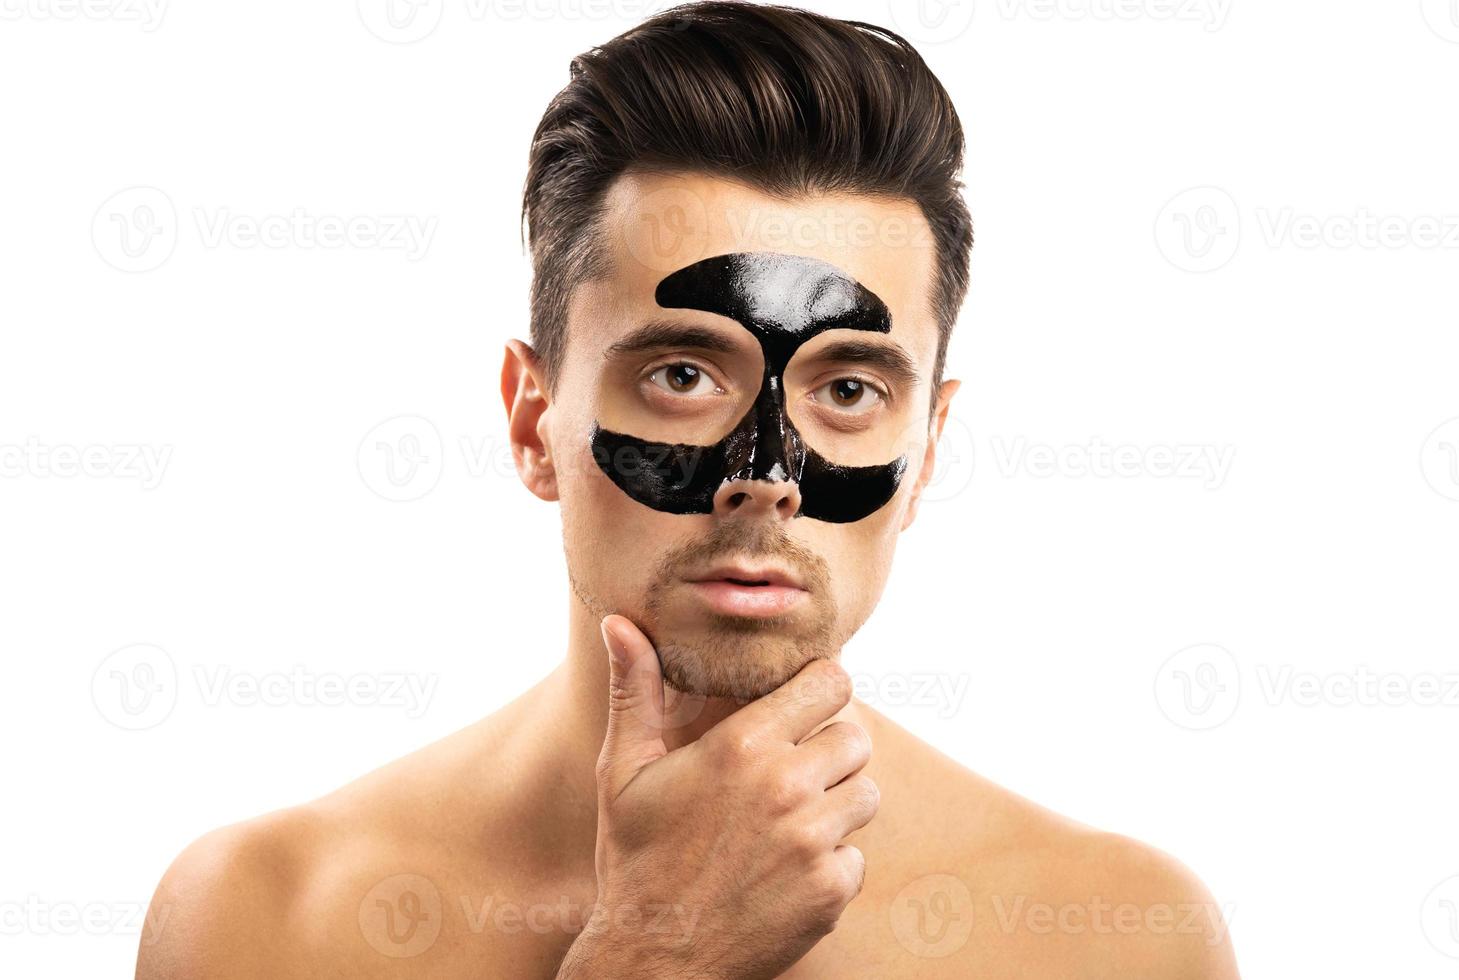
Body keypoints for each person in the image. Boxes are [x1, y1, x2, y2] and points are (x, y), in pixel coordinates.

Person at [137, 3, 1239, 976]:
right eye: (681, 375)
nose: (765, 477)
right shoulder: (269, 918)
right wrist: (654, 956)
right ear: (533, 422)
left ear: (928, 446)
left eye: (849, 386)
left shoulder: (1119, 941)